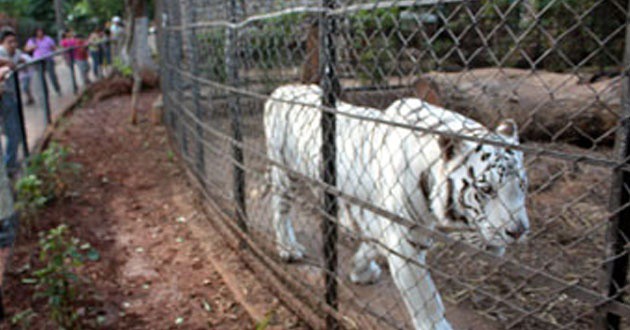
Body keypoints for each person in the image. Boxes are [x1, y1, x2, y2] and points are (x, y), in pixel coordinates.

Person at [0, 28, 26, 175]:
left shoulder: (15, 53)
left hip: (9, 96)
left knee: (13, 131)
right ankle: (9, 166)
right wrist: (6, 63)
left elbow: (25, 59)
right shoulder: (1, 52)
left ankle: (10, 163)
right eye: (9, 42)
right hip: (4, 96)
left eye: (14, 41)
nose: (13, 44)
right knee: (13, 132)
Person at [25, 28, 62, 96]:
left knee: (52, 75)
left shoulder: (48, 38)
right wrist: (32, 47)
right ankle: (45, 93)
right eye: (38, 32)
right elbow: (26, 49)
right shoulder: (32, 40)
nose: (40, 33)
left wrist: (53, 52)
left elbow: (54, 48)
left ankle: (57, 89)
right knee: (41, 78)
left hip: (48, 59)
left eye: (41, 31)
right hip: (38, 61)